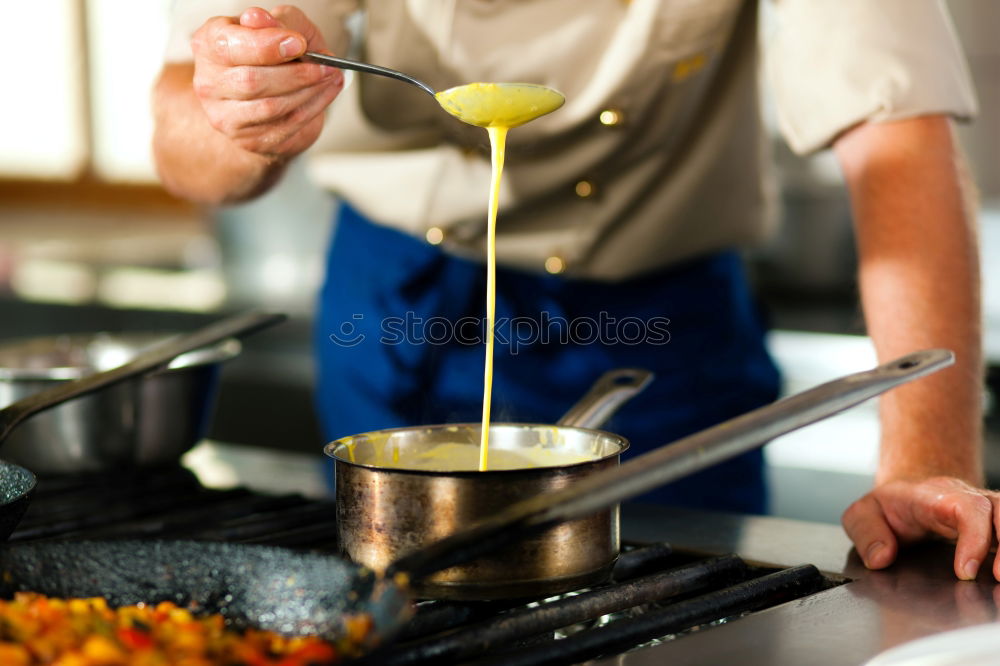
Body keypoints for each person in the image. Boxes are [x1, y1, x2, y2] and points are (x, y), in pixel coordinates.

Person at [153, 1, 996, 581]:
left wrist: (927, 466)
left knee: (690, 609)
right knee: (406, 596)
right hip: (412, 295)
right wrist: (240, 113)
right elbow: (185, 131)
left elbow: (899, 130)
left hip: (668, 312)